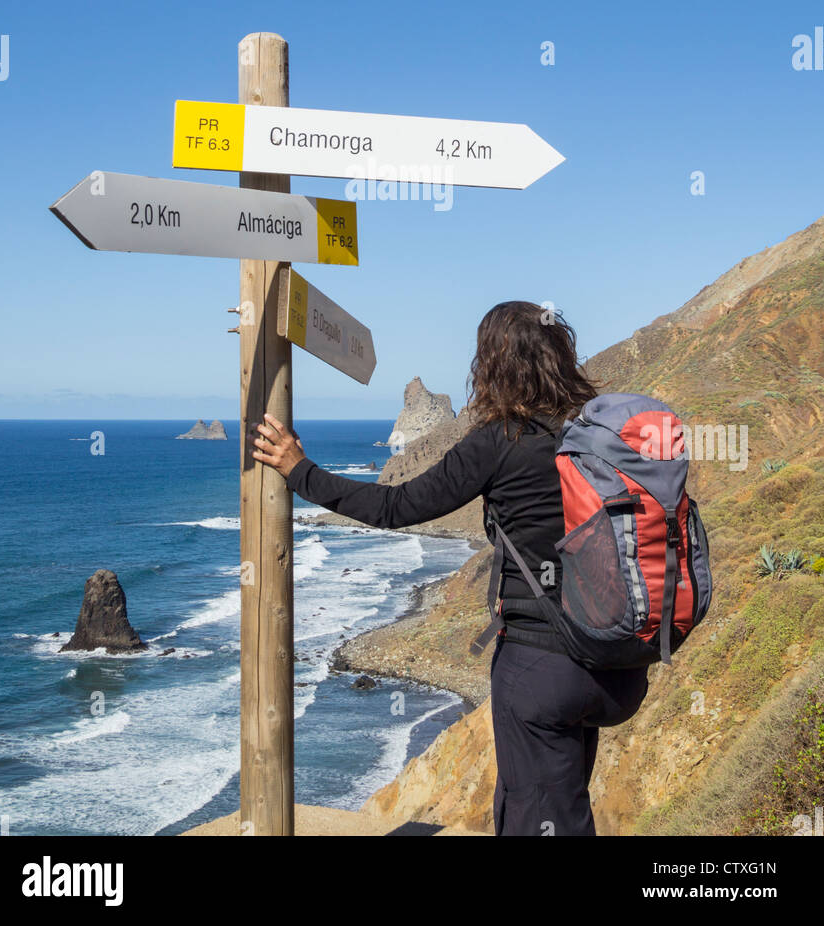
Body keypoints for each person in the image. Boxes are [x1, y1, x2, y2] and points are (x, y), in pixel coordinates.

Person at [251, 300, 649, 836]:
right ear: (561, 355)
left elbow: (394, 506)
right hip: (615, 663)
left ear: (494, 365)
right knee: (562, 805)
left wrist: (301, 471)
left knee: (542, 819)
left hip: (542, 667)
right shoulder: (603, 436)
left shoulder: (500, 443)